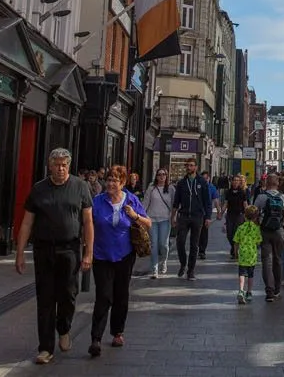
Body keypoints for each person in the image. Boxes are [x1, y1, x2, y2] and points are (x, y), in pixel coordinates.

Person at [15, 148, 94, 365]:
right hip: (43, 250)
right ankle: (45, 347)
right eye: (57, 164)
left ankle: (64, 328)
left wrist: (89, 252)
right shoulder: (39, 189)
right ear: (50, 166)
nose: (60, 168)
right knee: (45, 298)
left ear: (69, 166)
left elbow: (88, 221)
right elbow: (27, 222)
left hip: (70, 249)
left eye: (64, 165)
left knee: (68, 295)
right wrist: (20, 253)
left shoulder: (80, 187)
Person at [89, 165, 149, 357]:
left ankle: (117, 332)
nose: (110, 184)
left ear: (122, 183)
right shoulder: (97, 201)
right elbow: (87, 225)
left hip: (124, 255)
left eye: (115, 180)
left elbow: (148, 223)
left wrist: (135, 215)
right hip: (101, 255)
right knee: (104, 296)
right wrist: (87, 250)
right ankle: (96, 338)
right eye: (108, 180)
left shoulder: (130, 200)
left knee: (121, 295)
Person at [253, 172, 284, 301]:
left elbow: (254, 216)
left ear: (266, 183)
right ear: (278, 184)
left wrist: (254, 233)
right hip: (279, 232)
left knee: (266, 261)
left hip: (264, 231)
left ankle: (269, 291)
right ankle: (277, 289)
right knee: (278, 259)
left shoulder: (260, 197)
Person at [171, 159, 211, 280]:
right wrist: (173, 216)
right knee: (180, 242)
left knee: (194, 245)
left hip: (197, 216)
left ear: (196, 167)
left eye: (191, 165)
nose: (189, 167)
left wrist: (208, 217)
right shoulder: (182, 183)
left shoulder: (202, 182)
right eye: (187, 165)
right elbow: (176, 201)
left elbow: (207, 202)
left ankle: (191, 270)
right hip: (183, 216)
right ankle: (183, 263)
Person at [143, 169, 174, 278]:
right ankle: (154, 269)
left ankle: (164, 261)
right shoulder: (151, 188)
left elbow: (174, 204)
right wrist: (142, 216)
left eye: (164, 174)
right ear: (156, 176)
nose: (161, 176)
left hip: (165, 219)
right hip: (152, 219)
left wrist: (174, 216)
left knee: (163, 244)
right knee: (154, 245)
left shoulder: (170, 189)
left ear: (166, 176)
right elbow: (145, 203)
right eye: (159, 174)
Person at [233, 205, 263, 304]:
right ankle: (249, 292)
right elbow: (259, 242)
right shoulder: (256, 228)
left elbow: (236, 242)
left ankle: (241, 290)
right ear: (255, 217)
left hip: (242, 254)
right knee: (251, 275)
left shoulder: (240, 228)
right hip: (252, 255)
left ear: (245, 216)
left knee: (242, 274)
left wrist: (235, 252)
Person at [224, 174, 248, 260]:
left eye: (237, 181)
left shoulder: (242, 192)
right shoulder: (228, 192)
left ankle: (235, 251)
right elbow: (226, 204)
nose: (236, 182)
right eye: (234, 180)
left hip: (239, 215)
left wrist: (247, 215)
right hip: (230, 215)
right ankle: (234, 247)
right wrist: (221, 213)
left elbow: (245, 205)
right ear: (232, 182)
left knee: (236, 233)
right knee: (229, 234)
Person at [197, 171, 219, 260]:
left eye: (207, 178)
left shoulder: (211, 187)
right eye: (203, 178)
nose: (205, 180)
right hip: (197, 213)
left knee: (204, 232)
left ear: (209, 179)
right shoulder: (197, 186)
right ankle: (197, 248)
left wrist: (219, 211)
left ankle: (202, 251)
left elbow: (216, 200)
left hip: (206, 213)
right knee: (196, 232)